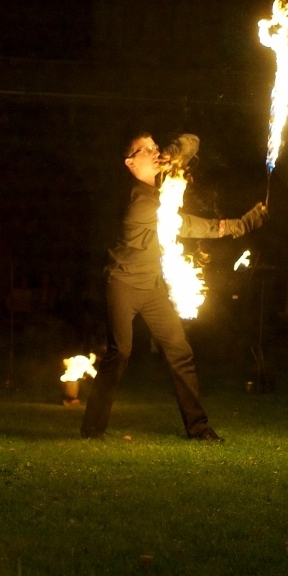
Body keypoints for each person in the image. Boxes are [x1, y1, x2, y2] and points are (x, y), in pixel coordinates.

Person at [79, 133, 267, 442]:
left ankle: (198, 428)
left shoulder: (162, 191)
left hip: (152, 287)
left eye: (155, 146)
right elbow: (186, 224)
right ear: (130, 162)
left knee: (179, 351)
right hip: (122, 282)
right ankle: (92, 428)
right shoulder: (135, 199)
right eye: (145, 150)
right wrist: (239, 225)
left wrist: (170, 152)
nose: (153, 152)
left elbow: (193, 140)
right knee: (121, 351)